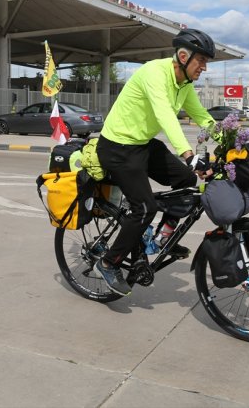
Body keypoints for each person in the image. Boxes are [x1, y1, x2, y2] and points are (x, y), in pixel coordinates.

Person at [94, 28, 218, 296]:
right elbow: (165, 116)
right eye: (201, 61)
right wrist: (189, 154)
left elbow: (201, 116)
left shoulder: (184, 84)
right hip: (117, 147)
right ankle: (108, 262)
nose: (204, 68)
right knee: (144, 208)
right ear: (183, 56)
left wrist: (233, 139)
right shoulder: (154, 73)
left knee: (186, 180)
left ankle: (163, 237)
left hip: (142, 145)